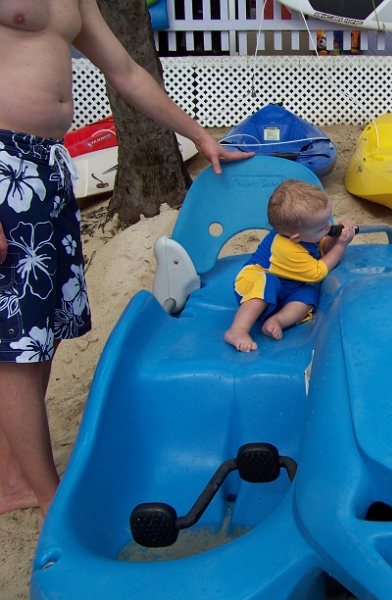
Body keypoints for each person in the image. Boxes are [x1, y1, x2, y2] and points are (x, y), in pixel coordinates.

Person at [0, 0, 254, 517]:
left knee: (39, 332)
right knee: (18, 345)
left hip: (48, 163)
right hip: (6, 168)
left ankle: (11, 476)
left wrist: (199, 136)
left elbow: (126, 72)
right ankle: (50, 499)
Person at [225, 180, 357, 352]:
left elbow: (322, 249)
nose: (328, 226)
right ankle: (238, 329)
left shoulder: (304, 234)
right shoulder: (285, 248)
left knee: (309, 294)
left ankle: (278, 320)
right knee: (268, 282)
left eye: (328, 220)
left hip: (285, 288)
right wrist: (340, 246)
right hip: (253, 284)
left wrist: (337, 236)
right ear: (296, 237)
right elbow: (318, 272)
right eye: (321, 228)